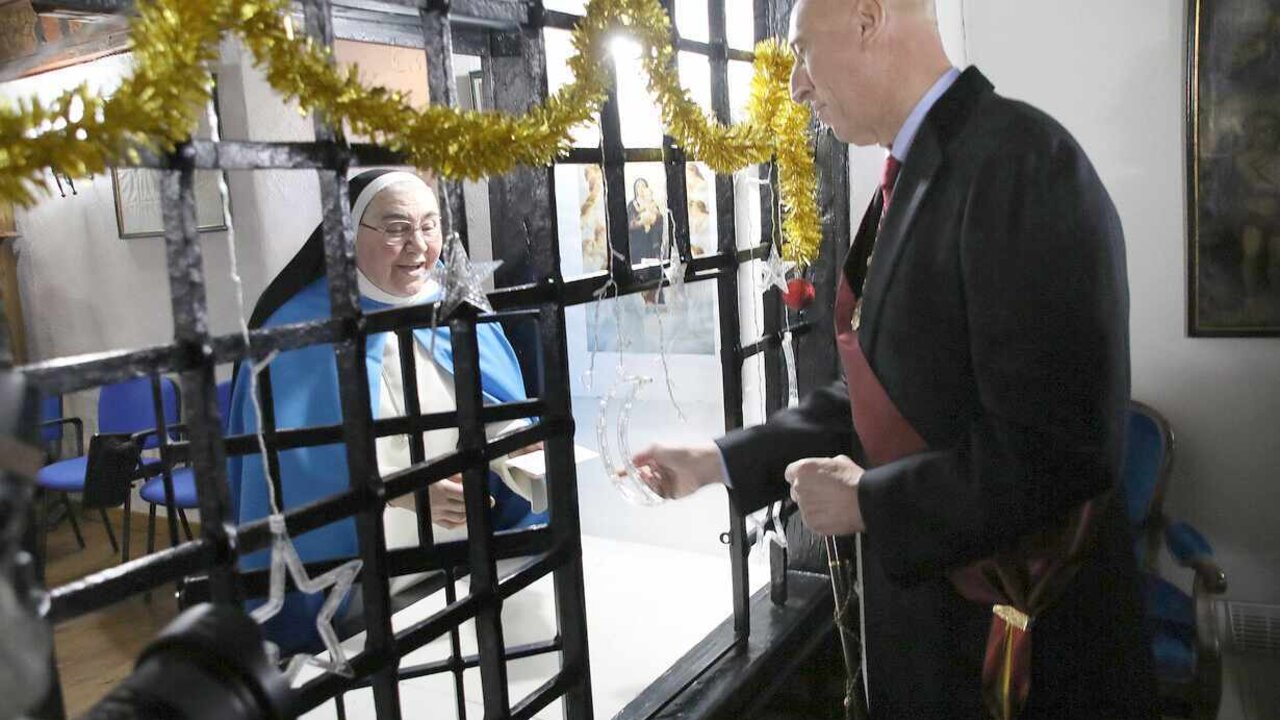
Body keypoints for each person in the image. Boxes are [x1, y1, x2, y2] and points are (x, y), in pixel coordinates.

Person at [631, 1, 1155, 718]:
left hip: (1024, 644)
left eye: (802, 51)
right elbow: (878, 389)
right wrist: (717, 461)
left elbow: (1063, 449)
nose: (795, 87)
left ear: (869, 18)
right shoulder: (919, 174)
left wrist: (868, 501)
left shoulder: (1023, 163)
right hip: (936, 628)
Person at [227, 169, 546, 654]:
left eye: (430, 225)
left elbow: (491, 401)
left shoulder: (455, 305)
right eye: (396, 228)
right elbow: (287, 471)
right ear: (349, 237)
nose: (418, 246)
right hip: (357, 572)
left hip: (458, 553)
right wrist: (399, 491)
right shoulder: (295, 330)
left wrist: (515, 440)